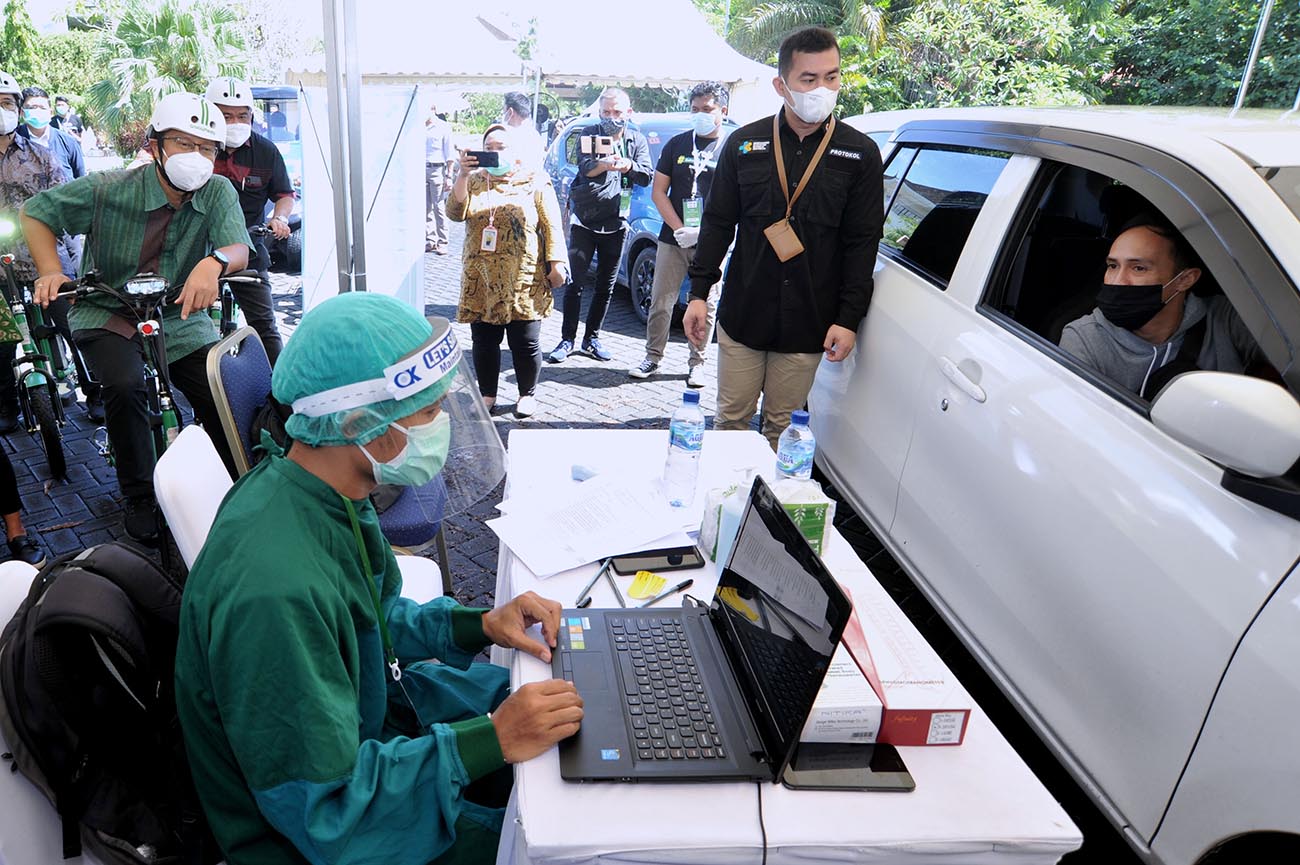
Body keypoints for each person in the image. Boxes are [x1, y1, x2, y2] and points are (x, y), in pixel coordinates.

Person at [175, 291, 583, 865]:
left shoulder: (331, 487)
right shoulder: (275, 591)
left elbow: (372, 615)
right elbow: (328, 813)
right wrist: (491, 741)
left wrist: (481, 625)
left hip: (371, 729)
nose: (441, 424)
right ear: (361, 424)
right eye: (427, 410)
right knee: (559, 842)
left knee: (561, 709)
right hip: (322, 833)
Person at [22, 91, 251, 542]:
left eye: (208, 148)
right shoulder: (108, 188)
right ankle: (140, 494)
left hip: (178, 315)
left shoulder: (219, 190)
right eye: (185, 144)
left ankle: (243, 479)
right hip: (104, 308)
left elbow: (239, 247)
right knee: (125, 387)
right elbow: (36, 212)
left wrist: (214, 263)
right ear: (155, 145)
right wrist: (51, 271)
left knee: (219, 386)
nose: (198, 157)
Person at [684, 27, 883, 449]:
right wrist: (699, 292)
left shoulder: (860, 154)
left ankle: (766, 514)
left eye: (832, 77)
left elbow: (862, 243)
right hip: (743, 316)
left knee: (783, 432)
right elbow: (718, 223)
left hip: (808, 322)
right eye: (809, 80)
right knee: (731, 423)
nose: (822, 89)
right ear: (782, 85)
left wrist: (848, 319)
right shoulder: (743, 144)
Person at [1059, 216, 1260, 398]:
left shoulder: (1224, 318)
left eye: (1138, 268)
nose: (1118, 281)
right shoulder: (1084, 339)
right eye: (1113, 266)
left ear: (1184, 280)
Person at [448, 125, 567, 419]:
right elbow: (454, 212)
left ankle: (527, 394)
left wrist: (557, 263)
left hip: (523, 276)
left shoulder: (535, 180)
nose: (495, 152)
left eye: (501, 146)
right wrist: (462, 174)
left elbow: (552, 225)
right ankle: (487, 394)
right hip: (482, 277)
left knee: (524, 341)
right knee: (484, 342)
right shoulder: (474, 181)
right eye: (489, 146)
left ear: (515, 151)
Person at [629, 81, 730, 389]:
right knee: (661, 299)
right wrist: (679, 229)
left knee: (706, 303)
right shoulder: (677, 144)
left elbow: (738, 201)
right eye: (695, 109)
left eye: (707, 109)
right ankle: (653, 356)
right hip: (673, 238)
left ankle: (697, 362)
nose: (700, 115)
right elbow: (659, 192)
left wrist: (705, 232)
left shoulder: (732, 147)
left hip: (712, 241)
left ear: (722, 111)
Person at [547, 88, 652, 364]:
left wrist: (627, 165)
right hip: (584, 220)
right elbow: (585, 167)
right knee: (575, 283)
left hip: (617, 223)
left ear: (628, 113)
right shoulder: (590, 134)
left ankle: (591, 338)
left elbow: (645, 175)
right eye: (606, 111)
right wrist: (606, 165)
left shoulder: (636, 139)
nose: (611, 117)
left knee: (606, 285)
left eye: (617, 112)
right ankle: (566, 339)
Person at [0, 68, 55, 566]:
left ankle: (85, 386)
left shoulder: (37, 152)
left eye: (9, 100)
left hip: (34, 263)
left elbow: (59, 199)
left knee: (59, 326)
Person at [206, 77, 291, 366]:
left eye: (242, 115)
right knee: (185, 324)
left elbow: (284, 194)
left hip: (248, 247)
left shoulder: (266, 151)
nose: (235, 121)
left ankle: (280, 397)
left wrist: (279, 217)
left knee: (264, 326)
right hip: (198, 248)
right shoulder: (198, 147)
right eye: (226, 115)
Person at [425, 103, 453, 254]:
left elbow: (450, 153)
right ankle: (430, 240)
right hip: (420, 168)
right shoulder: (418, 127)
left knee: (439, 206)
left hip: (437, 169)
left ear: (433, 109)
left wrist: (449, 176)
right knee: (425, 207)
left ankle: (443, 241)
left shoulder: (443, 127)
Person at [501, 91, 545, 163]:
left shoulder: (508, 136)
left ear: (510, 112)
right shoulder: (535, 135)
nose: (503, 114)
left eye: (503, 110)